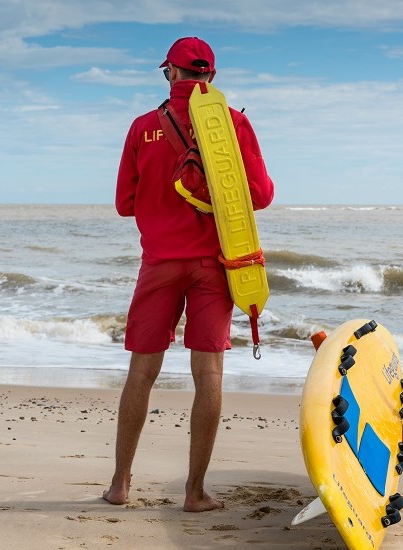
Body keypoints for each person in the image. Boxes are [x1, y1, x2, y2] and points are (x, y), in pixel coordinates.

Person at [104, 37, 274, 512]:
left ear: (172, 74)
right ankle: (195, 492)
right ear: (211, 78)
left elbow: (124, 204)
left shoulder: (142, 128)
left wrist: (163, 204)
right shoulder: (235, 125)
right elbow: (260, 195)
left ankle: (120, 484)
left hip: (159, 262)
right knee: (209, 373)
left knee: (142, 371)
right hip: (216, 266)